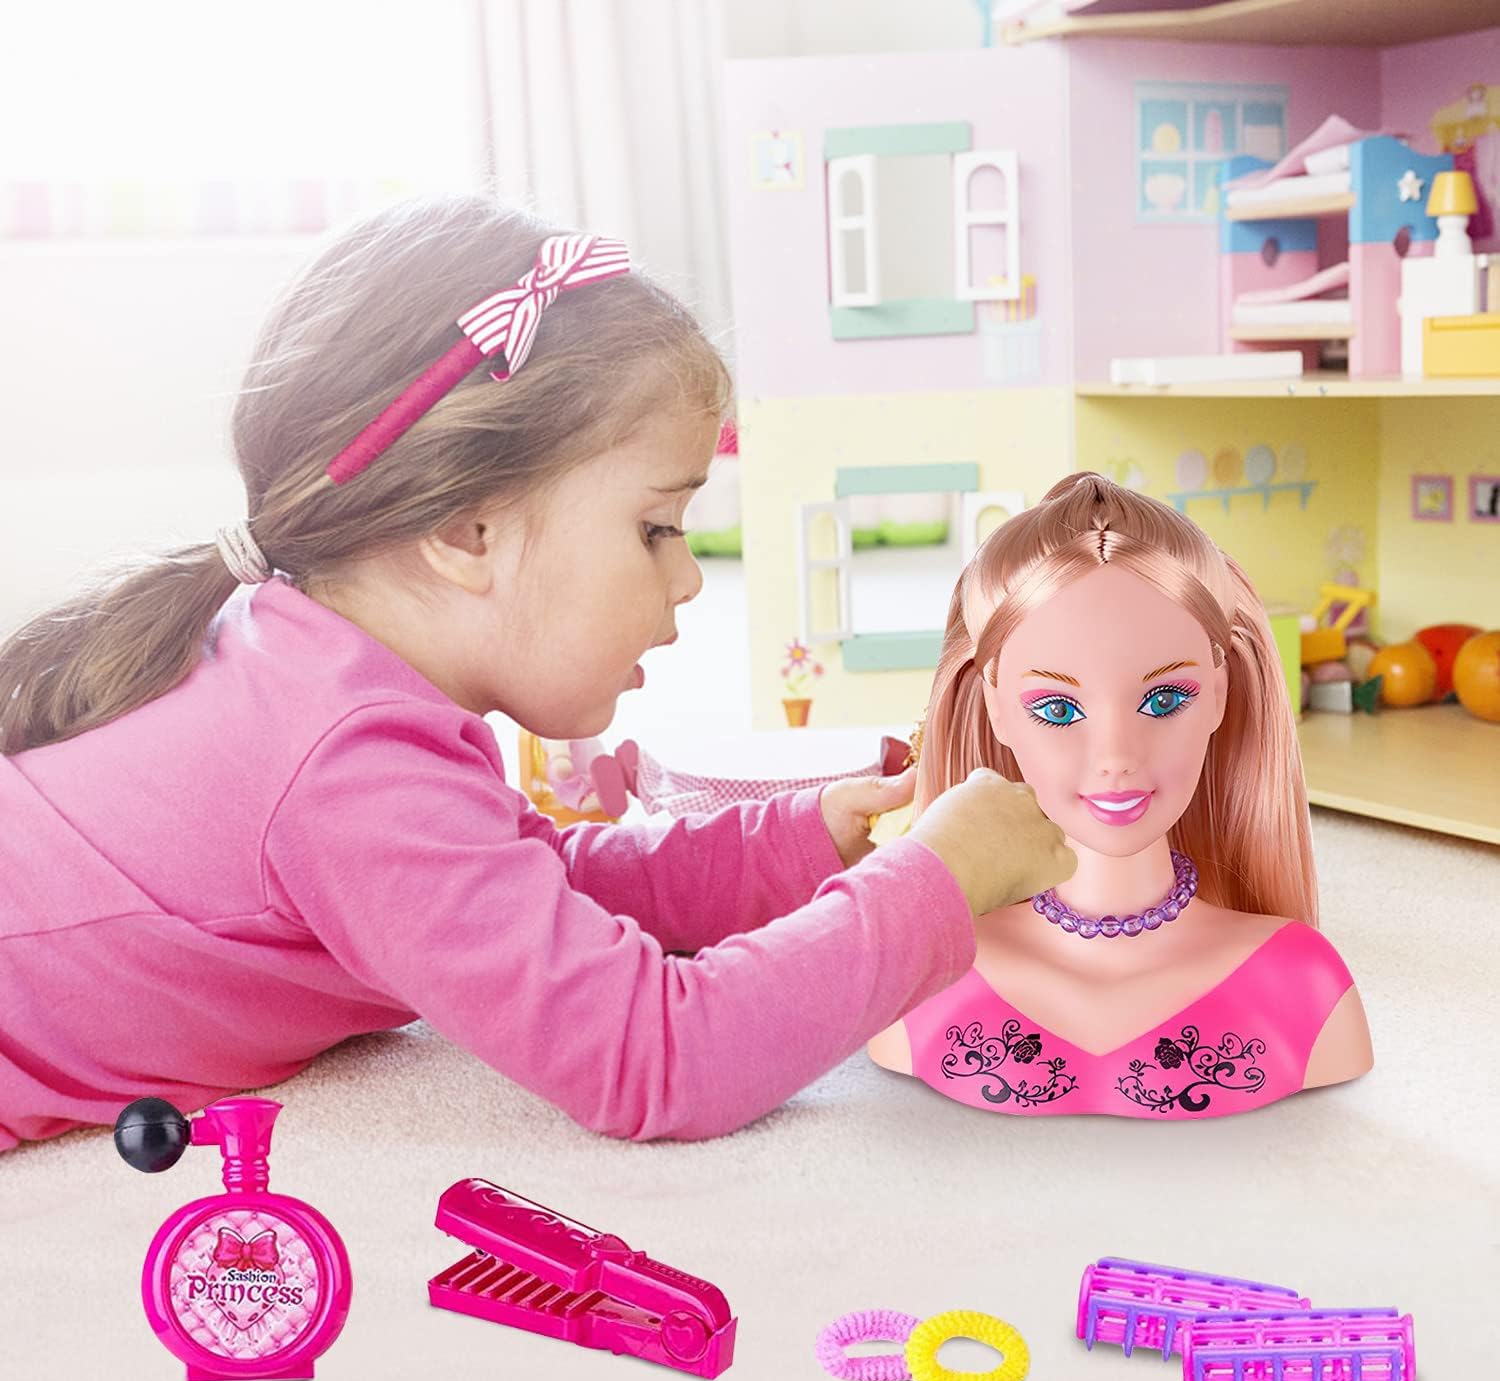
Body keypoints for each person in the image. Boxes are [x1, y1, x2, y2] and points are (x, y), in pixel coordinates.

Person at [0, 194, 1074, 1152]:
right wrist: (934, 883)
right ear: (466, 531)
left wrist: (793, 842)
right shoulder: (346, 765)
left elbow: (529, 885)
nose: (690, 579)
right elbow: (660, 1058)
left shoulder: (322, 672)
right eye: (656, 527)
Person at [868, 472, 1372, 1117]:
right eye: (1057, 708)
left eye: (1163, 700)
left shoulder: (1300, 979)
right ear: (994, 706)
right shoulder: (925, 980)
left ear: (1219, 693)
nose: (1115, 757)